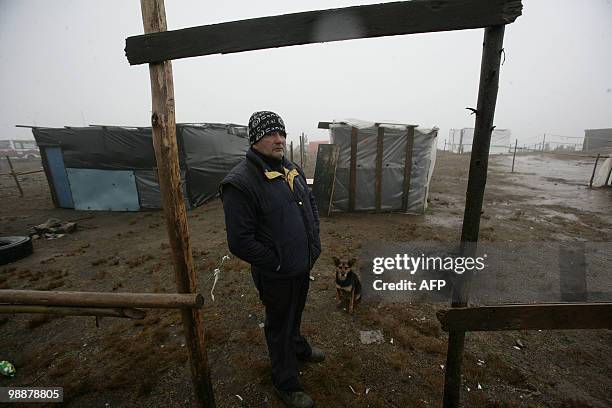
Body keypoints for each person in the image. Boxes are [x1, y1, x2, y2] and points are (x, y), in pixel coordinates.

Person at [220, 111, 323, 408]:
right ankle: (285, 382)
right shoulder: (240, 182)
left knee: (296, 312)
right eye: (271, 134)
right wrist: (277, 262)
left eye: (282, 134)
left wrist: (312, 241)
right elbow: (240, 241)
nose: (279, 140)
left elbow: (311, 202)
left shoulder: (290, 168)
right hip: (277, 273)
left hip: (302, 263)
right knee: (279, 323)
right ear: (255, 140)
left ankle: (299, 347)